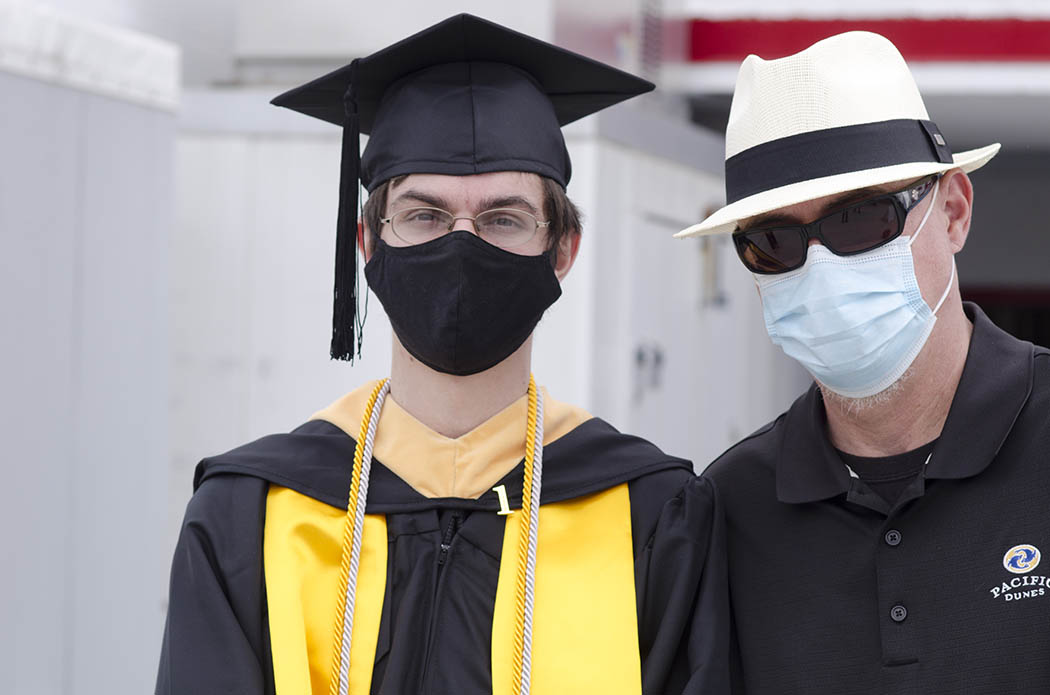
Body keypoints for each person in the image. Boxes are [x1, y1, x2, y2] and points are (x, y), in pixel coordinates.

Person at [157, 14, 728, 695]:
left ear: (562, 251)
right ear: (370, 244)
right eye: (423, 215)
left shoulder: (651, 518)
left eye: (503, 219)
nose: (462, 246)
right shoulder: (250, 518)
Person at [676, 31, 1050, 694]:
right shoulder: (732, 505)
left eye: (860, 220)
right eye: (775, 240)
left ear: (955, 211)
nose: (819, 266)